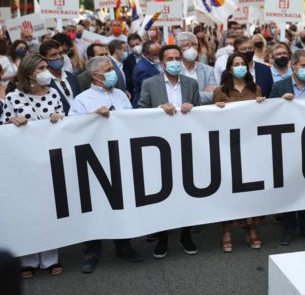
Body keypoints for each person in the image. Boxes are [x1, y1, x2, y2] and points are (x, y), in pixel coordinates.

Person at [68, 56, 144, 272]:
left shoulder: (120, 95)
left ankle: (123, 244)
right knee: (94, 206)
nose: (114, 73)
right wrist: (92, 117)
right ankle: (92, 251)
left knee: (121, 202)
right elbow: (71, 129)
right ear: (95, 76)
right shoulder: (82, 100)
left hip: (121, 157)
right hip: (95, 161)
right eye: (109, 69)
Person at [1, 54, 65, 278]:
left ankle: (50, 257)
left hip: (50, 161)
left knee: (49, 208)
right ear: (30, 73)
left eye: (47, 66)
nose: (47, 71)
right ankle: (28, 257)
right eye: (42, 68)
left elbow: (66, 123)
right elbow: (4, 128)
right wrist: (12, 122)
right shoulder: (14, 97)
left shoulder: (54, 94)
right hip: (23, 163)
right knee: (26, 208)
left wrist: (60, 117)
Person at [138, 45, 200, 259]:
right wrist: (158, 110)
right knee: (162, 193)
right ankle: (163, 237)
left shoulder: (191, 83)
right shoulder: (150, 83)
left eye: (177, 57)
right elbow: (140, 110)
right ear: (162, 63)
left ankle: (185, 235)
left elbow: (202, 113)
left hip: (186, 146)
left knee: (186, 191)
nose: (174, 61)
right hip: (160, 148)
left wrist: (192, 106)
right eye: (169, 58)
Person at [214, 53, 266, 252]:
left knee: (250, 189)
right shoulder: (220, 91)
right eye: (236, 64)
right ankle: (227, 229)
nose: (239, 67)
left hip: (251, 145)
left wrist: (262, 105)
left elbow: (262, 117)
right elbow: (213, 121)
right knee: (230, 188)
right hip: (228, 146)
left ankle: (251, 228)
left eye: (243, 64)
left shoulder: (256, 89)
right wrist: (217, 108)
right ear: (229, 69)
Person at [269, 49, 305, 246]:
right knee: (290, 184)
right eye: (303, 66)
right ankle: (289, 227)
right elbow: (269, 112)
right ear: (293, 65)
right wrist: (281, 102)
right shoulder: (280, 86)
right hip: (287, 143)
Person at [39, 40, 80, 115]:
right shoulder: (42, 82)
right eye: (53, 55)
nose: (59, 57)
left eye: (61, 53)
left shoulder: (71, 77)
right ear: (44, 59)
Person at [176, 32, 217, 104]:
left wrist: (184, 95)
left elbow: (214, 95)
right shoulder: (174, 70)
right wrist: (203, 94)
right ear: (179, 49)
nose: (191, 47)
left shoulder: (208, 70)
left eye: (193, 44)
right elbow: (174, 96)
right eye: (186, 45)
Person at [131, 40, 161, 107]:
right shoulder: (142, 69)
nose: (158, 56)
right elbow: (146, 91)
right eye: (156, 54)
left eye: (159, 53)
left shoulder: (152, 62)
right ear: (146, 54)